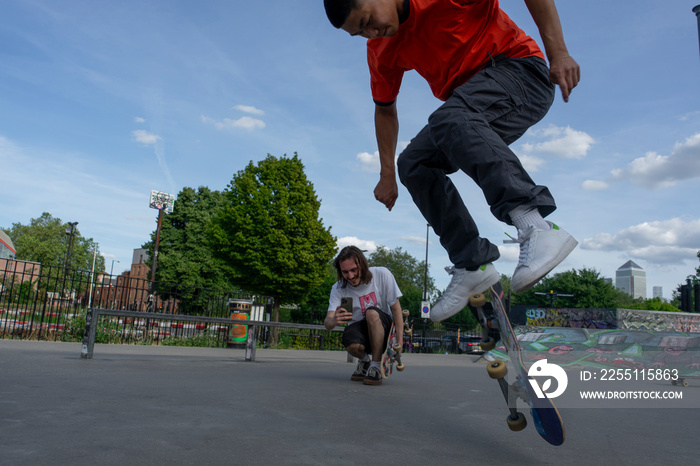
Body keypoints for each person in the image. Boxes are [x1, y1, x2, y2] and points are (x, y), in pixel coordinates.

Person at [323, 0, 580, 322]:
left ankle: (535, 224)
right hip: (468, 109)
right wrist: (387, 173)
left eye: (368, 20)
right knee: (414, 163)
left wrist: (559, 53)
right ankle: (472, 264)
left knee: (450, 118)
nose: (372, 33)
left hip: (519, 73)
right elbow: (384, 109)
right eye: (360, 33)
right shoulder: (380, 48)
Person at [324, 246, 403, 385]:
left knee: (371, 313)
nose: (350, 276)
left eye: (354, 270)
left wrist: (399, 343)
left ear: (363, 264)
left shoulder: (382, 274)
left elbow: (396, 309)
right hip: (361, 330)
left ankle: (375, 366)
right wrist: (334, 321)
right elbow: (327, 322)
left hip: (383, 327)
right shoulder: (338, 288)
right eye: (345, 272)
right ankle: (365, 361)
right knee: (350, 341)